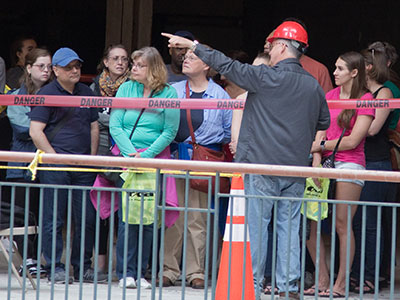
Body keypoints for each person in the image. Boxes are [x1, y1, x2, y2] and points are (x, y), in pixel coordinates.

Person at [162, 19, 330, 299]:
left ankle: (251, 285)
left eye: (271, 45)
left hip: (261, 165)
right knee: (289, 230)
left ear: (281, 46)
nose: (270, 50)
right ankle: (288, 288)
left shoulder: (265, 77)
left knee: (257, 229)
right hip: (295, 169)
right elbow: (322, 120)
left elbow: (228, 66)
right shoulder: (312, 86)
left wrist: (195, 47)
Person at [29, 47, 106, 284]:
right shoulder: (47, 93)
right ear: (55, 70)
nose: (75, 70)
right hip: (55, 166)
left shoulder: (86, 91)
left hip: (83, 166)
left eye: (78, 66)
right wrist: (55, 158)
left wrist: (90, 160)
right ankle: (54, 266)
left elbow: (94, 126)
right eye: (69, 67)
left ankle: (82, 266)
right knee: (54, 218)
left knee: (87, 219)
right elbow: (35, 131)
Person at [160, 46, 232, 290]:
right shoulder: (173, 90)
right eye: (186, 57)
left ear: (206, 66)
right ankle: (169, 269)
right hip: (176, 157)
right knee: (174, 215)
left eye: (193, 57)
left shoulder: (220, 95)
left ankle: (195, 271)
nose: (186, 59)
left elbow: (228, 131)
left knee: (197, 218)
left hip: (203, 161)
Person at [109, 46, 179, 290]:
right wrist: (131, 154)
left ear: (154, 68)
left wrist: (146, 156)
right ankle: (125, 272)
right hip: (127, 161)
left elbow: (169, 131)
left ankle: (142, 272)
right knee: (127, 220)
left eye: (139, 65)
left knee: (149, 221)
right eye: (133, 64)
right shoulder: (126, 88)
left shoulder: (169, 94)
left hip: (153, 163)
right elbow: (115, 125)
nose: (133, 69)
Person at [307, 52, 375, 298]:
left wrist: (320, 147)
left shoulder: (366, 99)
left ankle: (341, 282)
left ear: (354, 73)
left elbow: (354, 141)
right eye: (334, 68)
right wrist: (315, 161)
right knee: (310, 224)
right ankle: (322, 277)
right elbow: (319, 131)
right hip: (323, 163)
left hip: (350, 163)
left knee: (342, 224)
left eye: (339, 69)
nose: (334, 73)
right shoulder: (329, 96)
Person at [350, 48, 394, 294]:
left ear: (368, 67)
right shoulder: (362, 93)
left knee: (369, 223)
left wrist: (349, 131)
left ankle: (370, 276)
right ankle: (355, 274)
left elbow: (374, 128)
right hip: (358, 159)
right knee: (355, 222)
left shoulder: (383, 92)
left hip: (376, 162)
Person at [6, 48, 52, 278]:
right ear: (28, 68)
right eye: (41, 66)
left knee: (44, 214)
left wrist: (42, 128)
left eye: (49, 66)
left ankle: (41, 259)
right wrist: (47, 126)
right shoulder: (16, 95)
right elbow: (24, 129)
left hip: (46, 166)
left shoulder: (56, 94)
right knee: (22, 216)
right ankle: (27, 259)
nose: (46, 70)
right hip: (21, 166)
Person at [89, 44, 130, 273]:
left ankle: (122, 266)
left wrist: (109, 123)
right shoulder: (94, 86)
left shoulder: (133, 87)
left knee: (122, 207)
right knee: (99, 206)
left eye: (124, 59)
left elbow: (126, 121)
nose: (120, 63)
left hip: (123, 147)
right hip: (99, 147)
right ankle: (100, 263)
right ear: (105, 61)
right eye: (115, 58)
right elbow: (90, 118)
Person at [264, 19, 333, 94]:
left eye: (274, 44)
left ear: (283, 45)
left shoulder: (319, 70)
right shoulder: (266, 64)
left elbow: (326, 100)